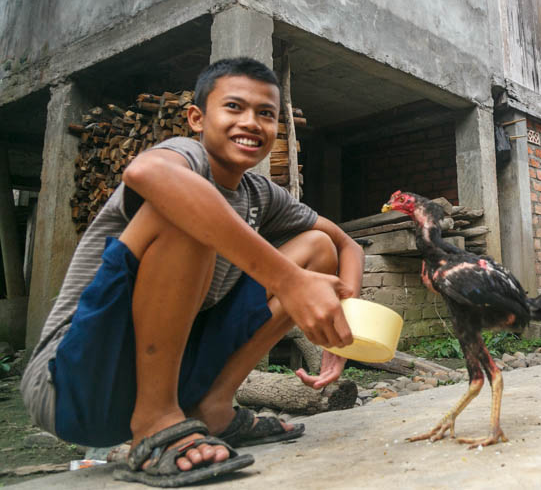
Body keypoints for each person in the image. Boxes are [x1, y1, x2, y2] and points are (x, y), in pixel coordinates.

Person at [20, 57, 364, 487]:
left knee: (316, 247)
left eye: (266, 114)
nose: (252, 122)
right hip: (73, 384)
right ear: (197, 118)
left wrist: (340, 317)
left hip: (176, 375)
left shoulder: (261, 194)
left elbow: (344, 244)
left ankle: (212, 409)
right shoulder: (185, 156)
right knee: (185, 209)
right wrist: (287, 281)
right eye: (234, 107)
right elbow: (144, 171)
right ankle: (156, 422)